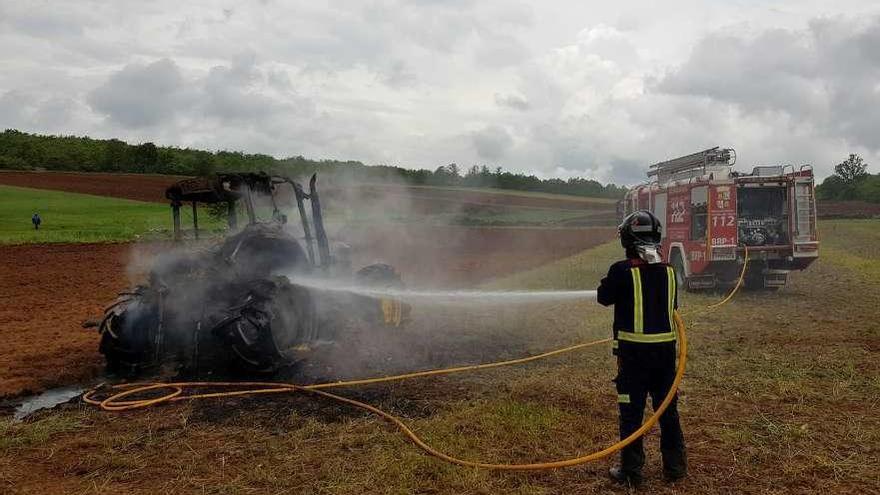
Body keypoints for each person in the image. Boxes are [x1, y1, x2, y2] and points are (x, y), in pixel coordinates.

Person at [597, 209, 687, 486]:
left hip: (633, 359)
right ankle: (675, 468)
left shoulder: (621, 271)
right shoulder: (670, 272)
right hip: (665, 357)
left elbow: (603, 297)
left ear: (626, 240)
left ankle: (631, 472)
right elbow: (671, 307)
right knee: (667, 412)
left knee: (631, 414)